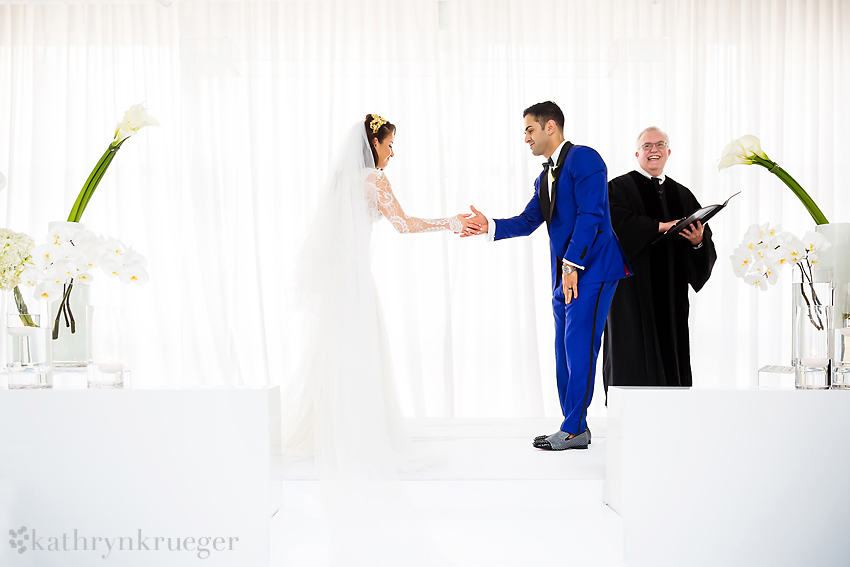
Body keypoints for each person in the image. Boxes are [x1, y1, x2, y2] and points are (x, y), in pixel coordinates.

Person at [281, 114, 474, 479]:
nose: (392, 153)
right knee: (361, 350)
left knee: (339, 351)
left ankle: (335, 430)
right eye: (389, 145)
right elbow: (403, 224)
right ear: (373, 145)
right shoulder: (373, 178)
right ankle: (361, 434)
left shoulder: (342, 182)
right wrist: (449, 222)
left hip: (339, 276)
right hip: (352, 278)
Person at [463, 101, 630, 451]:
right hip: (564, 275)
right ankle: (574, 425)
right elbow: (527, 222)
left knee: (579, 345)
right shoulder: (544, 177)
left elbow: (591, 214)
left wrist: (571, 266)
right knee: (563, 349)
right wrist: (489, 225)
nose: (525, 137)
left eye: (529, 129)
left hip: (592, 268)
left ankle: (573, 429)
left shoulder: (585, 158)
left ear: (549, 127)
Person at [603, 126, 716, 392]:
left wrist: (698, 241)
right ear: (637, 153)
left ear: (668, 152)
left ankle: (670, 424)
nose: (654, 150)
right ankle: (629, 424)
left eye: (659, 145)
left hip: (671, 296)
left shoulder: (682, 194)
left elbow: (704, 242)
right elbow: (612, 225)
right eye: (647, 145)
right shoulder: (617, 188)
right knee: (631, 355)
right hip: (630, 294)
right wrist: (659, 226)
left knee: (671, 356)